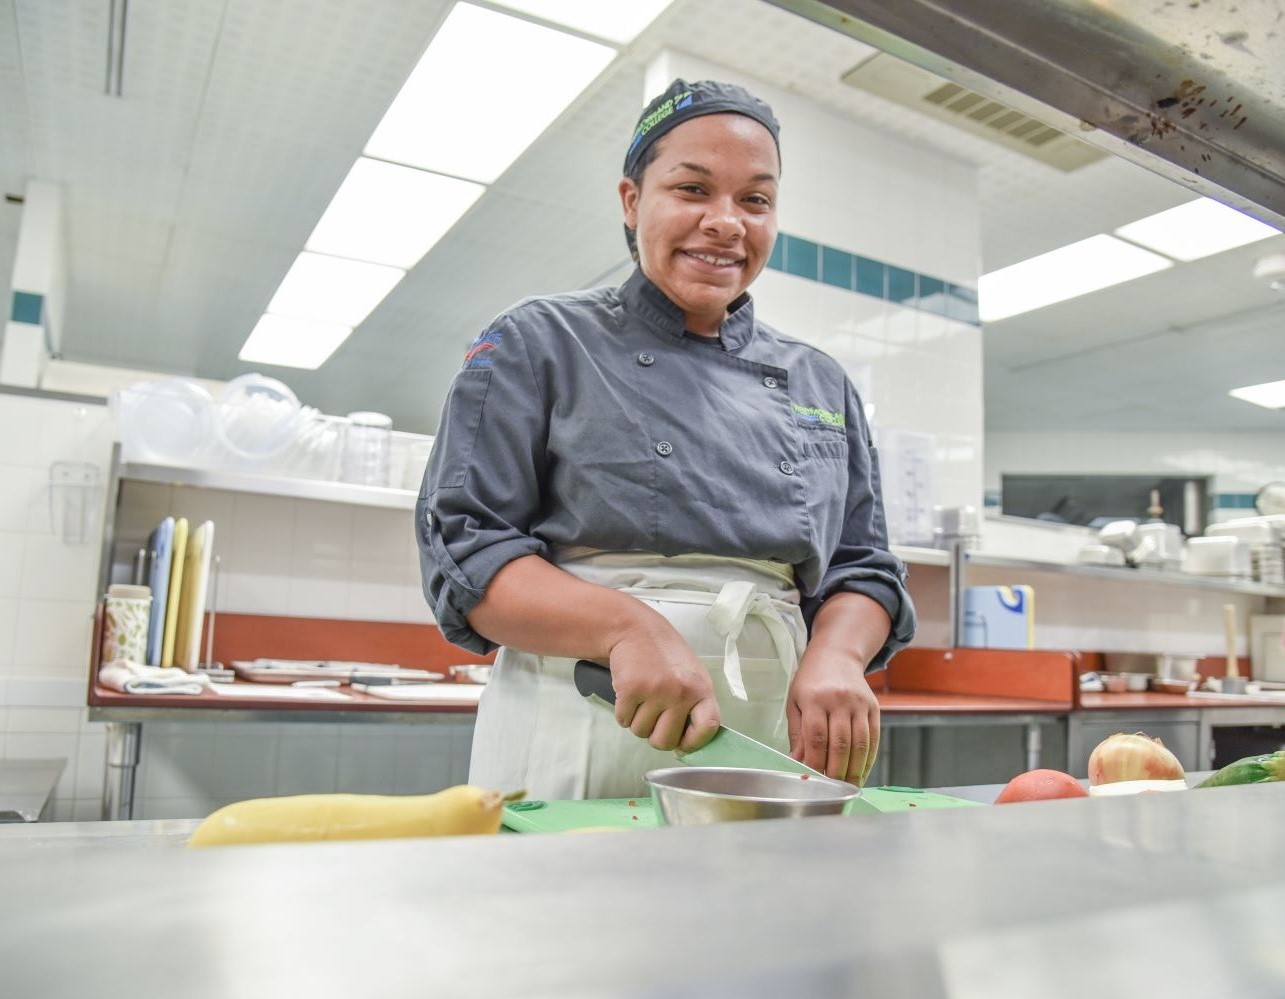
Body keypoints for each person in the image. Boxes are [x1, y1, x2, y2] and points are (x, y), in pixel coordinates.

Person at [416, 78, 916, 800]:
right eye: (692, 189)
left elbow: (862, 567)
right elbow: (467, 551)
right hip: (581, 709)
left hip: (770, 733)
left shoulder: (820, 381)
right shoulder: (540, 340)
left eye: (754, 200)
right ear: (631, 200)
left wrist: (837, 654)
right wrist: (625, 627)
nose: (725, 222)